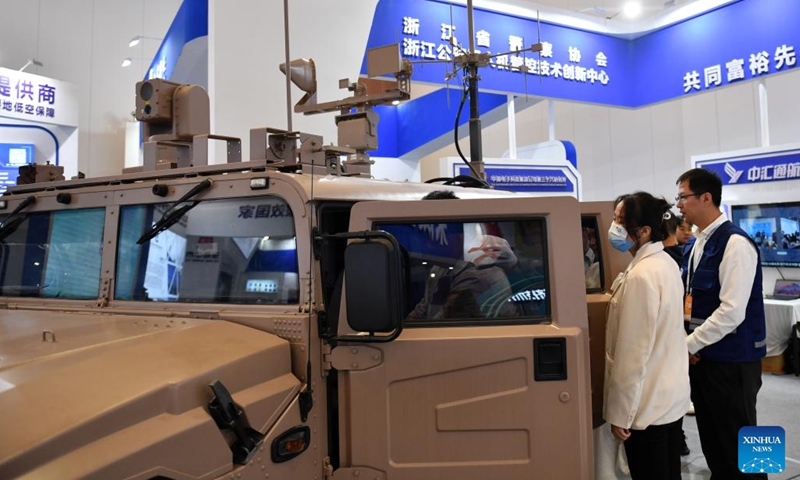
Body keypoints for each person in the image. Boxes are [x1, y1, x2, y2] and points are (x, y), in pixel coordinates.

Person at [676, 168, 767, 480]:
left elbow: (731, 312)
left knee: (746, 445)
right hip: (704, 359)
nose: (679, 205)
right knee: (716, 446)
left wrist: (688, 345)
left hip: (735, 363)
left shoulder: (735, 243)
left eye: (683, 197)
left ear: (706, 198)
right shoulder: (696, 244)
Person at [604, 192, 690, 480]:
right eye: (615, 218)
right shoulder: (664, 264)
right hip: (667, 399)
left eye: (621, 221)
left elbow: (632, 353)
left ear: (643, 231)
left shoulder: (642, 275)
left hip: (645, 408)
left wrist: (620, 413)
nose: (614, 227)